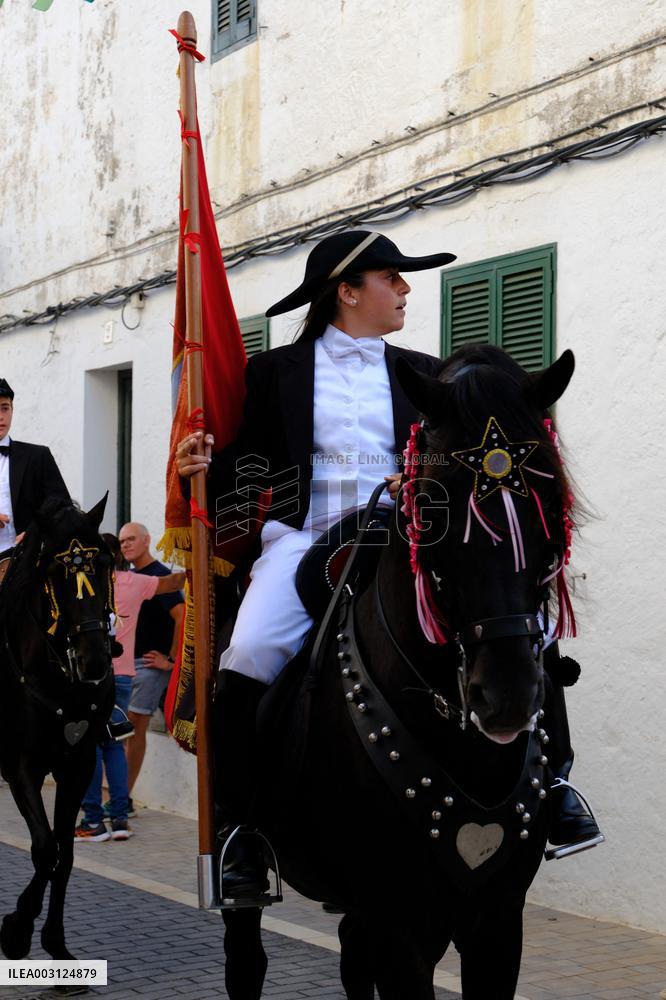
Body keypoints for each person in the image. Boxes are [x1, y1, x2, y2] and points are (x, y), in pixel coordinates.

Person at [177, 229, 600, 898]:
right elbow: (245, 469)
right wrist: (196, 469)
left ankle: (555, 787)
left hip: (405, 534)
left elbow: (452, 463)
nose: (404, 289)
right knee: (250, 650)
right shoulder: (275, 375)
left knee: (533, 629)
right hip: (304, 537)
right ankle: (244, 831)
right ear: (347, 292)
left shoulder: (426, 371)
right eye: (391, 278)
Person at [75, 535, 186, 842]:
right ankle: (121, 821)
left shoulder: (82, 584)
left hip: (90, 677)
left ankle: (93, 822)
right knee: (114, 745)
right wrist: (195, 561)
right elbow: (173, 582)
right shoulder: (134, 582)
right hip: (123, 676)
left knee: (91, 747)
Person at [119, 522, 185, 800]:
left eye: (131, 539)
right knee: (120, 732)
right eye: (122, 541)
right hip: (126, 666)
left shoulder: (159, 576)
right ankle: (119, 795)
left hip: (148, 666)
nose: (126, 545)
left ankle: (124, 797)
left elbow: (181, 615)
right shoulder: (128, 576)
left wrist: (171, 660)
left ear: (146, 541)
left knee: (134, 728)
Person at [0, 378, 69, 572]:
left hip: (27, 565)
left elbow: (63, 507)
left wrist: (35, 533)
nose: (0, 416)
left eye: (5, 408)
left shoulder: (37, 456)